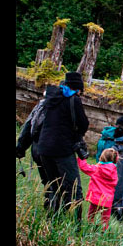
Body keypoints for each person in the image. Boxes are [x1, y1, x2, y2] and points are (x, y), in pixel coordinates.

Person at [36, 72, 89, 221]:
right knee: (74, 189)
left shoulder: (52, 98)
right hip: (62, 149)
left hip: (44, 149)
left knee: (55, 187)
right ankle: (76, 225)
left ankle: (53, 221)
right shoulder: (73, 99)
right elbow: (83, 124)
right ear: (78, 88)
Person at [16, 85, 57, 207]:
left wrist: (21, 147)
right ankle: (53, 213)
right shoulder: (62, 107)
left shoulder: (41, 105)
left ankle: (49, 209)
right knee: (56, 184)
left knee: (47, 182)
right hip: (51, 151)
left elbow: (29, 126)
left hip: (37, 148)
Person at [77, 148, 119, 230]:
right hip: (107, 201)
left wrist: (81, 157)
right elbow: (115, 183)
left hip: (96, 200)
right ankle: (102, 236)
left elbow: (84, 167)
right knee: (105, 222)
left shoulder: (97, 169)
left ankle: (88, 232)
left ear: (102, 157)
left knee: (90, 218)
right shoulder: (114, 171)